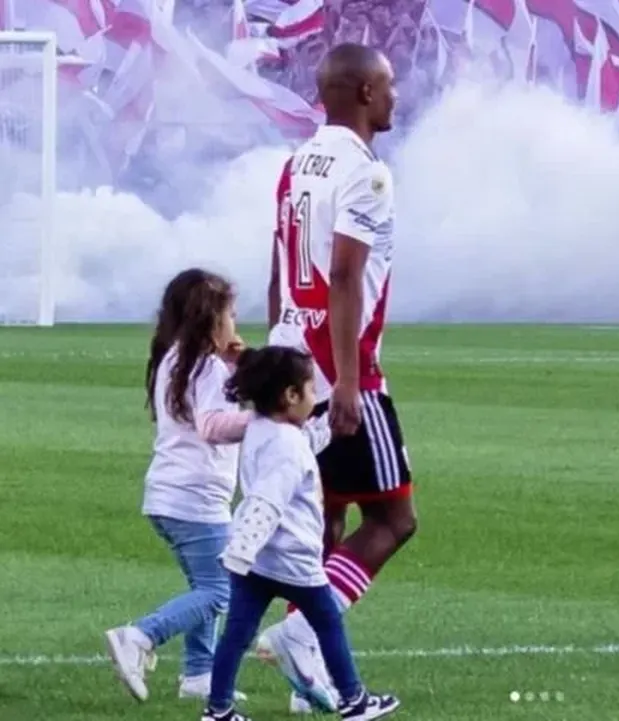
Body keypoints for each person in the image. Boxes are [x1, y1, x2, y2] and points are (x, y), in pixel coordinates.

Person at [256, 42, 417, 714]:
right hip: (340, 365)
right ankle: (300, 631)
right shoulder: (367, 173)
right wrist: (348, 382)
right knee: (393, 517)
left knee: (322, 516)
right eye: (386, 84)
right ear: (359, 93)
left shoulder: (297, 164)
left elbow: (277, 266)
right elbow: (346, 275)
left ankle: (313, 677)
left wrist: (273, 357)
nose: (395, 94)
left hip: (292, 358)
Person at [201, 346, 400, 721]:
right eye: (310, 390)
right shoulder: (287, 444)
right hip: (293, 560)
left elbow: (300, 447)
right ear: (290, 395)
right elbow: (268, 501)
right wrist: (240, 549)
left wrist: (328, 429)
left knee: (237, 634)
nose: (315, 398)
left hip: (258, 565)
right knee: (328, 624)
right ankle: (353, 700)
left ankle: (218, 709)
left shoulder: (261, 427)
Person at [105, 268, 252, 703]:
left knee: (205, 582)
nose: (235, 326)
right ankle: (140, 636)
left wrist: (237, 365)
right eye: (231, 317)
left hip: (168, 495)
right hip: (195, 498)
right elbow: (211, 425)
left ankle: (199, 675)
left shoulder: (175, 358)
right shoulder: (206, 368)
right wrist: (262, 420)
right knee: (218, 590)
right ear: (212, 320)